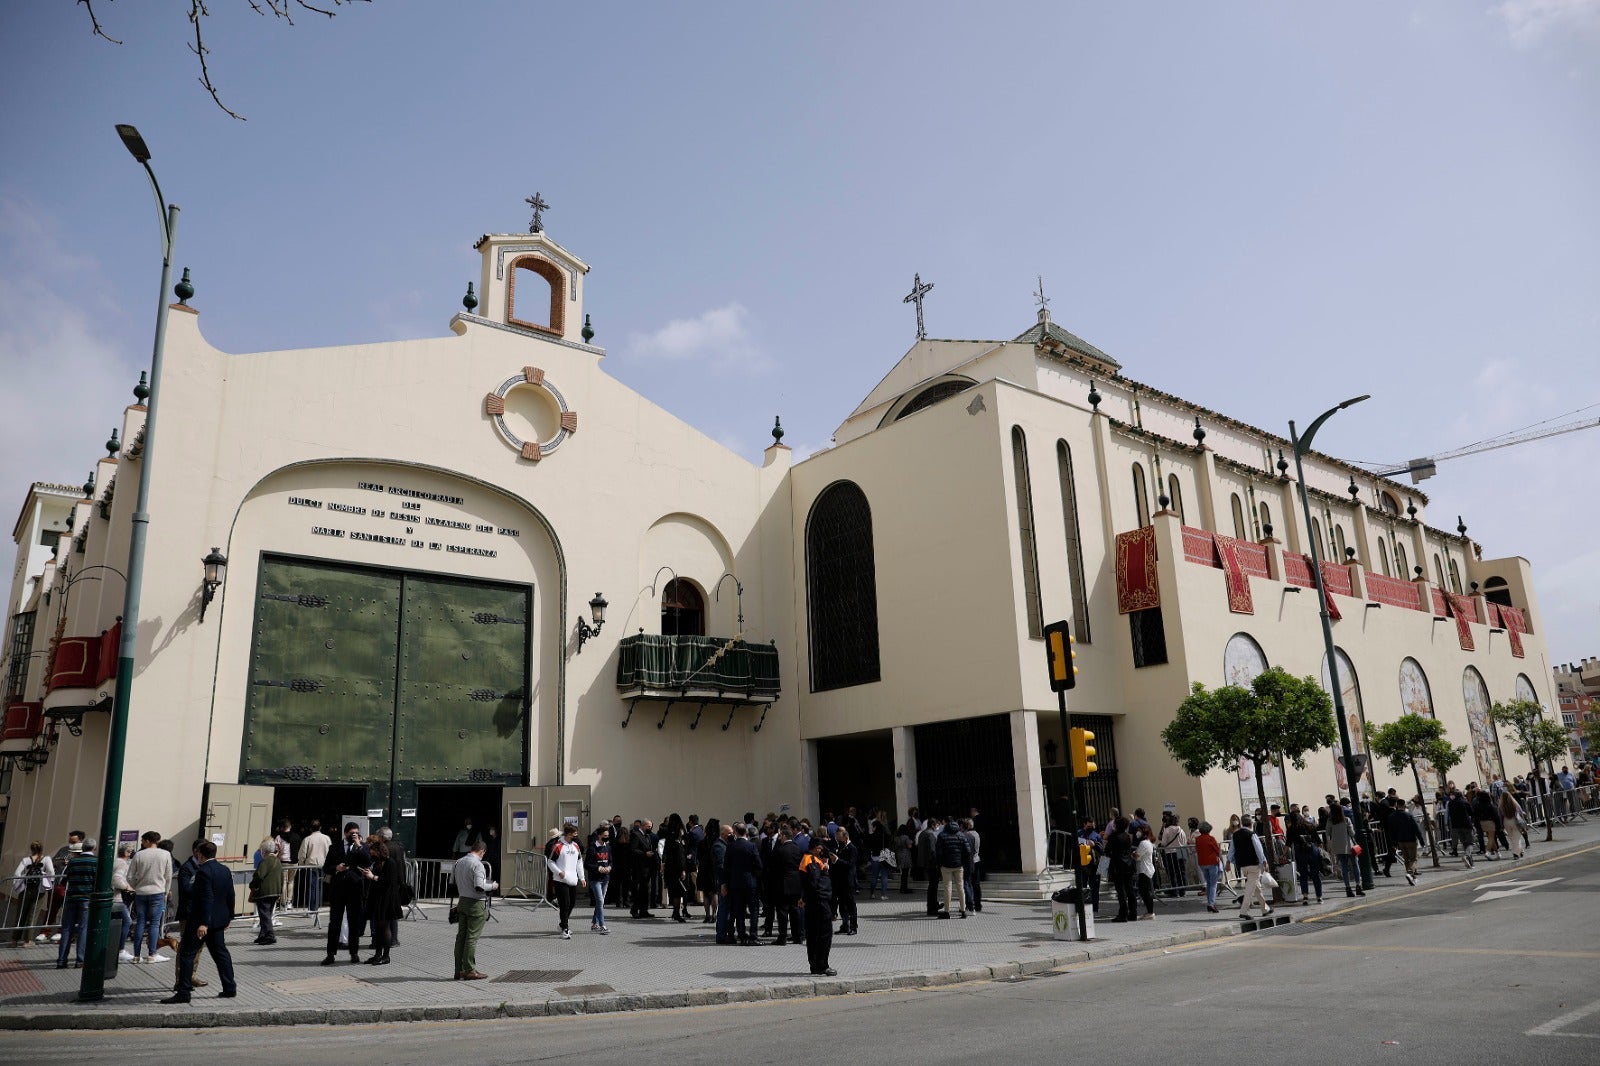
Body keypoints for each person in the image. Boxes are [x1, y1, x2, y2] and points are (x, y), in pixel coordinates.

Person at [161, 841, 237, 1003]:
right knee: (221, 954)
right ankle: (229, 987)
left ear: (200, 855)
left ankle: (184, 992)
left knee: (187, 954)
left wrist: (204, 923)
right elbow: (231, 895)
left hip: (200, 922)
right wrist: (230, 917)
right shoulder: (224, 870)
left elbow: (207, 898)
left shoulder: (203, 872)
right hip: (218, 922)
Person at [321, 822, 370, 965]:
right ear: (345, 833)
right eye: (351, 833)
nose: (354, 835)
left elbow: (367, 862)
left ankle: (354, 953)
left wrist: (359, 845)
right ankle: (330, 954)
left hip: (354, 889)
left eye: (356, 833)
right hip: (338, 890)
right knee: (334, 923)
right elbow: (326, 867)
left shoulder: (362, 847)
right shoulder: (334, 847)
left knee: (354, 923)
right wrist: (336, 867)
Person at [451, 838, 497, 980]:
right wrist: (493, 886)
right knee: (471, 938)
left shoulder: (459, 862)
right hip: (476, 903)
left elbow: (452, 883)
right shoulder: (477, 864)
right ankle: (469, 970)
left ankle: (459, 970)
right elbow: (479, 886)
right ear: (482, 851)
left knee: (461, 937)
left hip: (462, 901)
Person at [126, 829, 174, 961]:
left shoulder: (139, 855)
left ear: (147, 841)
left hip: (141, 892)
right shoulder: (165, 854)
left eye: (142, 840)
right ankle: (152, 954)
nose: (141, 843)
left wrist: (136, 887)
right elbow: (168, 876)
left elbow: (129, 876)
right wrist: (166, 890)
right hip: (158, 891)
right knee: (154, 923)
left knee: (140, 922)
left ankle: (136, 955)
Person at [798, 836, 836, 976]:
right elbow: (814, 882)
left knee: (813, 934)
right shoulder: (812, 860)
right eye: (821, 848)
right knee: (824, 935)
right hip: (819, 902)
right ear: (815, 848)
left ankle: (815, 965)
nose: (822, 851)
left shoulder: (809, 859)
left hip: (813, 902)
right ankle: (822, 965)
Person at [56, 839, 97, 969]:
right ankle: (80, 959)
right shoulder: (96, 862)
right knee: (83, 929)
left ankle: (62, 960)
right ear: (94, 848)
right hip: (86, 898)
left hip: (71, 897)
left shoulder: (73, 862)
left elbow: (63, 880)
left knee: (66, 929)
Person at [362, 835, 402, 964]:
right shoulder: (377, 863)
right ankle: (377, 954)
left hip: (387, 900)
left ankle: (386, 956)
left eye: (373, 851)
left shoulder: (390, 863)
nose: (371, 853)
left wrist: (373, 877)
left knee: (384, 927)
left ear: (379, 851)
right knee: (378, 928)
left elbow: (389, 881)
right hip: (378, 899)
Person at [723, 823, 762, 945]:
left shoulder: (731, 846)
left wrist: (727, 881)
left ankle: (741, 935)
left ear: (735, 832)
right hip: (750, 882)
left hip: (735, 883)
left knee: (739, 910)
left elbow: (726, 866)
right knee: (754, 909)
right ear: (746, 832)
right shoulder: (751, 846)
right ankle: (753, 936)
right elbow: (759, 865)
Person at [546, 823, 585, 939]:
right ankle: (565, 929)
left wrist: (582, 878)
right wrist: (559, 872)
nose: (576, 836)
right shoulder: (558, 846)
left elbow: (579, 863)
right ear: (568, 834)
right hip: (560, 881)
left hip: (573, 879)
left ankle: (562, 924)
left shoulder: (576, 846)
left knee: (572, 903)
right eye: (575, 834)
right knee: (565, 905)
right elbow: (550, 862)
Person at [10, 841, 53, 945]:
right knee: (33, 915)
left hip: (25, 890)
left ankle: (14, 940)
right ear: (41, 849)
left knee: (21, 914)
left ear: (31, 849)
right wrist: (47, 883)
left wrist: (20, 883)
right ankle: (28, 940)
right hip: (39, 891)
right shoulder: (46, 859)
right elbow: (51, 872)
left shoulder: (26, 860)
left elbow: (17, 873)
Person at [1232, 815, 1271, 920]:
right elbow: (1259, 849)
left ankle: (1265, 908)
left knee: (1256, 887)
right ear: (1251, 823)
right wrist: (1264, 861)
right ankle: (1244, 911)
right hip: (1254, 864)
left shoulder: (1235, 835)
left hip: (1243, 866)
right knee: (1250, 889)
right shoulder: (1252, 834)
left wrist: (1229, 861)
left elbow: (1232, 849)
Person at [249, 837, 284, 946]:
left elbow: (259, 875)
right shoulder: (277, 861)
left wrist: (252, 885)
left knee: (264, 914)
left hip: (265, 892)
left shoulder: (265, 861)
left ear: (264, 851)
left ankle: (270, 935)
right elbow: (282, 878)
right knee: (266, 914)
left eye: (262, 850)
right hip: (275, 891)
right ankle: (262, 935)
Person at [935, 815, 972, 918]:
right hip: (959, 865)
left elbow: (939, 853)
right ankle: (963, 910)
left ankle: (947, 911)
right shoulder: (961, 835)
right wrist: (964, 862)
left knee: (947, 887)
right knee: (960, 887)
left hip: (946, 866)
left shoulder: (942, 836)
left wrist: (939, 864)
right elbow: (968, 851)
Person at [1325, 805, 1364, 897]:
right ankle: (1358, 886)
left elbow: (1327, 833)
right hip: (1349, 845)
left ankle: (1348, 888)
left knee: (1344, 867)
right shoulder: (1346, 819)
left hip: (1338, 847)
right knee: (1355, 865)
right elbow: (1352, 833)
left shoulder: (1330, 821)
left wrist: (1329, 844)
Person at [1286, 811, 1323, 905]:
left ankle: (1305, 897)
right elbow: (1319, 841)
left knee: (1303, 875)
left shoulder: (1291, 829)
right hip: (1312, 850)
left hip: (1300, 852)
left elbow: (1288, 844)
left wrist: (1283, 854)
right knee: (1315, 875)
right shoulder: (1310, 825)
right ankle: (1319, 897)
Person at [1104, 817, 1136, 922]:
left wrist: (1102, 868)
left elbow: (1107, 851)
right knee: (1130, 890)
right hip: (1128, 865)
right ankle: (1133, 913)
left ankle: (1123, 914)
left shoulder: (1114, 836)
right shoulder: (1127, 836)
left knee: (1121, 891)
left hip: (1118, 866)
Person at [1385, 799, 1422, 884]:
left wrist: (1393, 843)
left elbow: (1391, 831)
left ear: (1397, 805)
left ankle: (1412, 877)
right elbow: (1416, 829)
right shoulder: (1408, 815)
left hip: (1400, 841)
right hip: (1411, 840)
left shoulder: (1391, 816)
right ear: (1404, 805)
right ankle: (1409, 873)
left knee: (1406, 859)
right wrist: (1421, 840)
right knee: (1414, 859)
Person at [584, 823, 612, 934]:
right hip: (595, 879)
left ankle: (594, 924)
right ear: (599, 836)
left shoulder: (608, 847)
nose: (607, 837)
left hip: (605, 878)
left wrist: (609, 867)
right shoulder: (592, 848)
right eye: (605, 835)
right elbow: (587, 864)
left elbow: (611, 861)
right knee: (600, 901)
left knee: (600, 902)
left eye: (607, 835)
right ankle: (602, 925)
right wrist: (598, 868)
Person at [297, 819, 331, 911]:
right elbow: (330, 853)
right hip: (322, 865)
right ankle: (317, 907)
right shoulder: (327, 838)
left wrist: (301, 865)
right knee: (319, 886)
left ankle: (312, 909)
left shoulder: (307, 839)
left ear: (310, 829)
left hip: (311, 866)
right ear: (320, 827)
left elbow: (302, 854)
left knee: (312, 887)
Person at [832, 827, 859, 935]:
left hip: (848, 881)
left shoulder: (852, 848)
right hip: (839, 881)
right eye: (836, 836)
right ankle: (845, 925)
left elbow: (850, 864)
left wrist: (837, 860)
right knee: (842, 904)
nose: (837, 838)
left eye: (839, 836)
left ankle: (853, 926)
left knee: (850, 904)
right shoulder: (840, 847)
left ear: (845, 837)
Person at [662, 814, 688, 923]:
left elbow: (665, 852)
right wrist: (683, 869)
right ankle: (677, 913)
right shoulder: (679, 841)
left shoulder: (668, 835)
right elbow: (681, 856)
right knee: (678, 892)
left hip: (669, 867)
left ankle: (675, 911)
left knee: (672, 891)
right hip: (677, 868)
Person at [1193, 821, 1223, 913]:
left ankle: (1210, 902)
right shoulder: (1211, 838)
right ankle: (1211, 904)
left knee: (1209, 883)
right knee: (1213, 884)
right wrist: (1222, 860)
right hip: (1212, 862)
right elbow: (1218, 850)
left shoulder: (1197, 839)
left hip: (1202, 863)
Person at [1158, 812, 1188, 897]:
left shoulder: (1167, 830)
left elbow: (1163, 843)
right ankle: (1183, 890)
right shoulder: (1181, 830)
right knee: (1181, 871)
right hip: (1182, 851)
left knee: (1172, 872)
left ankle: (1175, 891)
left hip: (1171, 852)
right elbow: (1185, 841)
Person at [1077, 819, 1104, 914]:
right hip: (1082, 866)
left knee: (1095, 889)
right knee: (1082, 888)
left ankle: (1095, 909)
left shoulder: (1097, 836)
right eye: (1089, 826)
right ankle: (1081, 908)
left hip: (1095, 867)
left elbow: (1103, 852)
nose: (1091, 828)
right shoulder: (1079, 834)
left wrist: (1103, 870)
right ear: (1084, 825)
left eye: (1092, 826)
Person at [915, 819, 941, 916]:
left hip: (925, 863)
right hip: (932, 864)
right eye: (937, 824)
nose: (937, 826)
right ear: (933, 825)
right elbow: (932, 851)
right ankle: (932, 907)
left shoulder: (922, 833)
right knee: (933, 886)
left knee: (932, 886)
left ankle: (934, 905)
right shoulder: (930, 835)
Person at [1446, 789, 1477, 868]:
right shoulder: (1464, 802)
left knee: (1464, 843)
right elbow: (1472, 813)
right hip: (1466, 825)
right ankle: (1466, 856)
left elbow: (1450, 814)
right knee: (1470, 843)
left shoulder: (1450, 804)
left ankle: (1470, 863)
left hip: (1456, 826)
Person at [1133, 825, 1157, 920]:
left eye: (1139, 831)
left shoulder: (1143, 843)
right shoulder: (1147, 842)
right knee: (1145, 891)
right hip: (1145, 869)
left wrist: (1133, 854)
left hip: (1144, 870)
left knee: (1145, 892)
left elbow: (1138, 856)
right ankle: (1149, 911)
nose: (1137, 833)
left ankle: (1150, 912)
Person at [1498, 787, 1527, 859]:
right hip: (1515, 820)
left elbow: (1500, 816)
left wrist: (1501, 826)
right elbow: (1520, 812)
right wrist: (1524, 821)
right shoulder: (1514, 803)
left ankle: (1520, 851)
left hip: (1506, 821)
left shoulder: (1501, 806)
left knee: (1512, 838)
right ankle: (1516, 853)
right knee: (1516, 838)